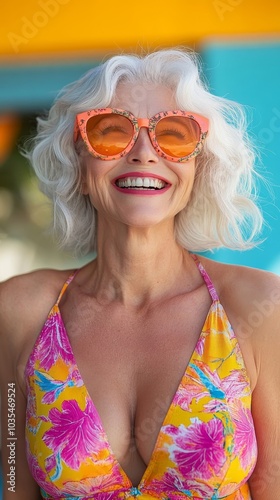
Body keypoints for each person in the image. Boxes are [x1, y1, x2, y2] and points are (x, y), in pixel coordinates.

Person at [0, 48, 280, 500]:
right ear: (79, 165)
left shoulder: (260, 307)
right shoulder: (17, 311)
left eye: (174, 134)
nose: (145, 153)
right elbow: (12, 483)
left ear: (198, 166)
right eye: (110, 132)